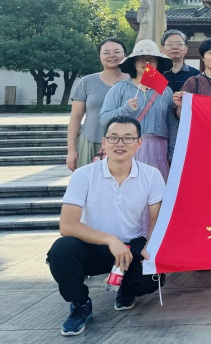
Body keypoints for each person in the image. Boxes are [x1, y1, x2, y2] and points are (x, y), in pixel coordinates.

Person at [47, 116, 165, 337]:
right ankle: (80, 304)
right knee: (61, 251)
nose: (120, 143)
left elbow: (156, 218)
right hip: (93, 246)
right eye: (114, 138)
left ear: (139, 143)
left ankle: (127, 288)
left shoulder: (151, 175)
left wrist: (150, 246)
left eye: (128, 138)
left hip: (132, 246)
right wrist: (110, 240)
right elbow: (67, 225)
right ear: (104, 142)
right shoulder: (84, 175)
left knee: (151, 279)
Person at [99, 40, 177, 180]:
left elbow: (172, 125)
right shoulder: (120, 88)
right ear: (134, 63)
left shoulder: (166, 91)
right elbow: (104, 119)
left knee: (156, 188)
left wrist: (172, 153)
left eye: (151, 59)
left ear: (157, 63)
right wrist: (125, 110)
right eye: (141, 58)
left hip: (158, 150)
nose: (146, 62)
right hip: (126, 146)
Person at [66, 38, 129, 171]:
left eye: (117, 51)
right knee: (89, 181)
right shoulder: (87, 82)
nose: (111, 55)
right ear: (100, 56)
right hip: (91, 141)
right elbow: (75, 117)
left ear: (125, 55)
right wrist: (71, 150)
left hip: (125, 144)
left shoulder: (134, 82)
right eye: (106, 52)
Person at [174, 37, 211, 120]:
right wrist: (181, 106)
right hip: (202, 127)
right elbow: (181, 117)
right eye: (210, 53)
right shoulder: (193, 82)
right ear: (203, 58)